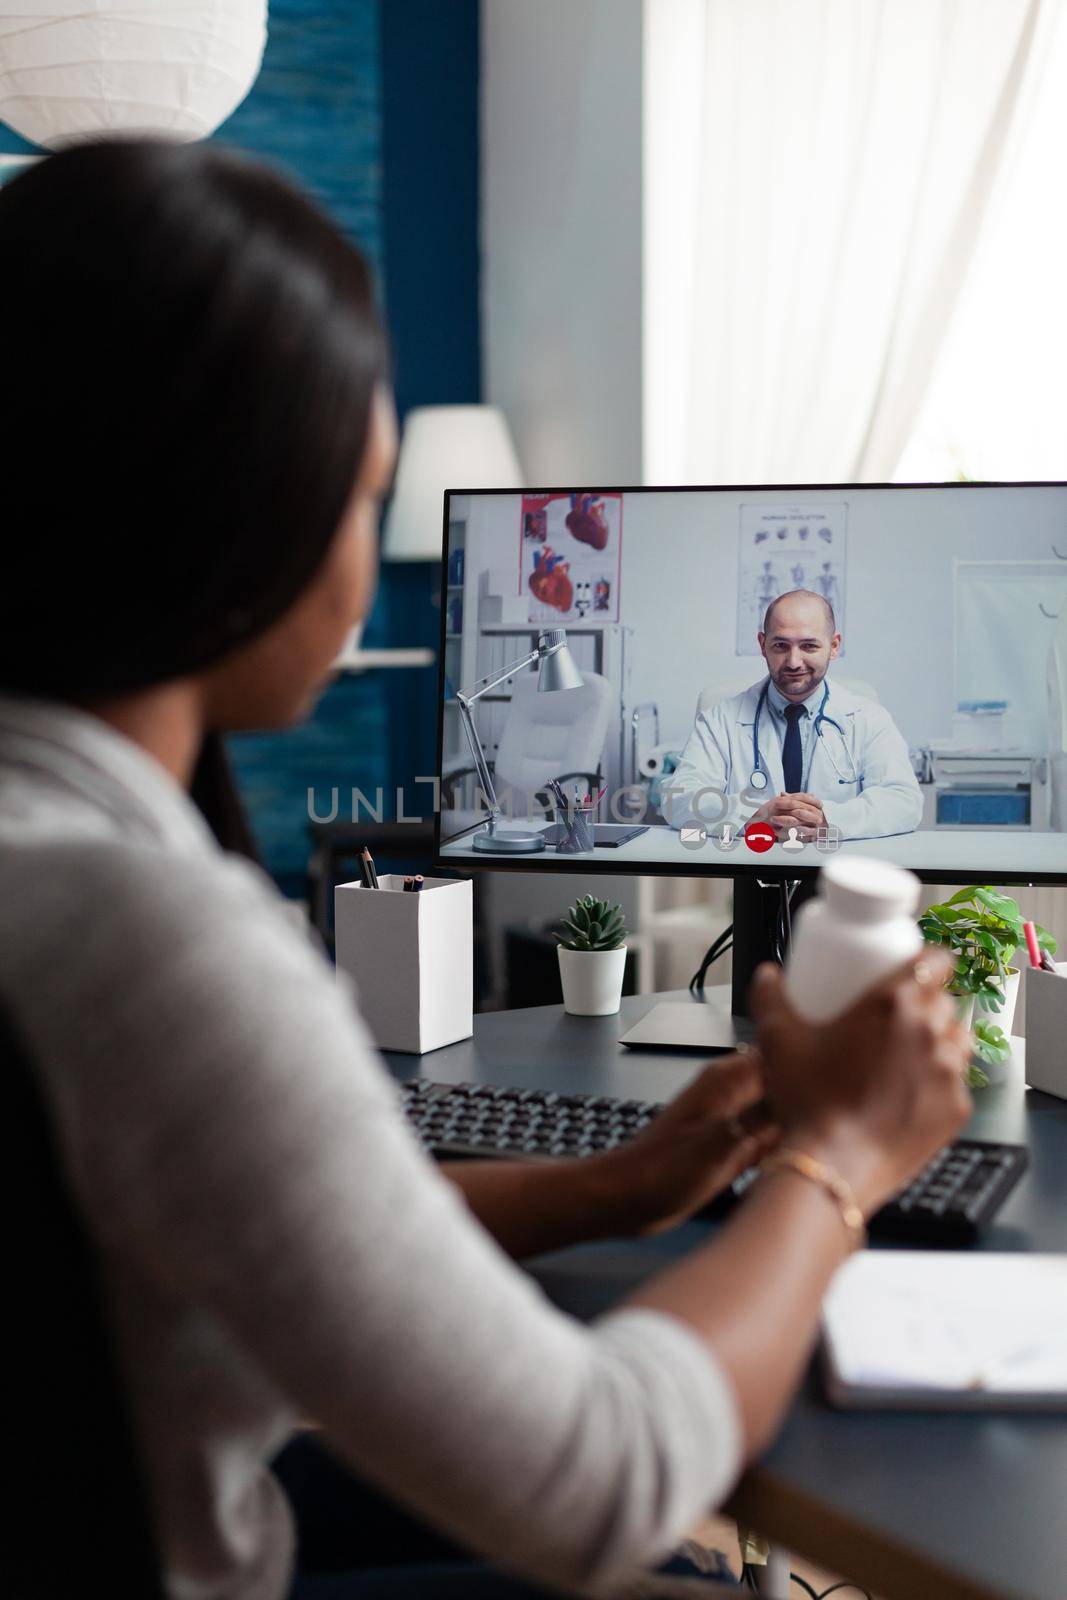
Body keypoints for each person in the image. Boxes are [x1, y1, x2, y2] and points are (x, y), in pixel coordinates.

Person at [0, 139, 972, 1600]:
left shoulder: (54, 864)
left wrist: (617, 1185)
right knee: (676, 1572)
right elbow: (603, 1477)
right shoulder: (156, 943)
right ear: (235, 508)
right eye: (360, 492)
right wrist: (838, 1160)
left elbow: (285, 1233)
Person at [666, 590, 924, 841]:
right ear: (763, 645)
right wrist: (752, 815)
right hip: (750, 867)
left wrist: (827, 820)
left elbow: (904, 802)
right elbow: (679, 798)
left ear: (833, 647)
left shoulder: (869, 718)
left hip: (840, 871)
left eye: (809, 645)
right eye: (780, 645)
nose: (793, 661)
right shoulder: (719, 720)